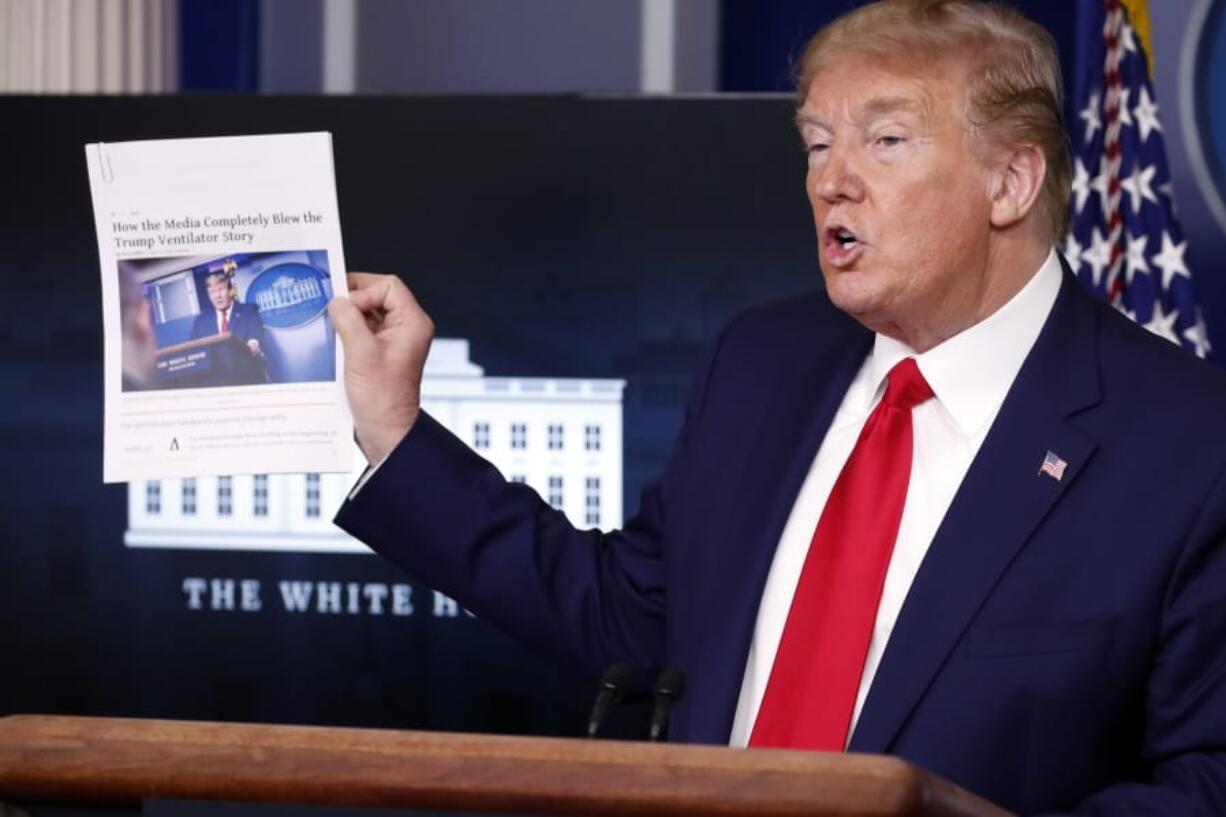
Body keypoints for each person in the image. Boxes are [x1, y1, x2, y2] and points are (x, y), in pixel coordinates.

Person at [325, 1, 1226, 814]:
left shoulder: (1184, 443)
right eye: (816, 142)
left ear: (1011, 182)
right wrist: (395, 429)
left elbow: (1206, 777)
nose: (831, 180)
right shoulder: (762, 364)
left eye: (885, 140)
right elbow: (628, 617)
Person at [189, 266, 268, 385]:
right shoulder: (201, 321)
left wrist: (252, 346)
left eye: (221, 290)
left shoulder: (248, 311)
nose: (217, 296)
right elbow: (192, 352)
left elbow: (254, 340)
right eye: (212, 292)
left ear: (231, 290)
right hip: (215, 384)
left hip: (247, 379)